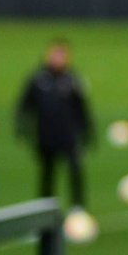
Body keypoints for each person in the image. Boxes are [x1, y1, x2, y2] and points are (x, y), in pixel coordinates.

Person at [16, 38, 93, 213]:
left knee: (75, 172)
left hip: (69, 137)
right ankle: (44, 212)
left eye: (62, 55)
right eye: (55, 54)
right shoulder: (38, 79)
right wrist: (23, 129)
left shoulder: (73, 80)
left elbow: (83, 109)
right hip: (46, 137)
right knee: (47, 176)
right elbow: (24, 106)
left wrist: (87, 134)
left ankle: (78, 208)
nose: (58, 58)